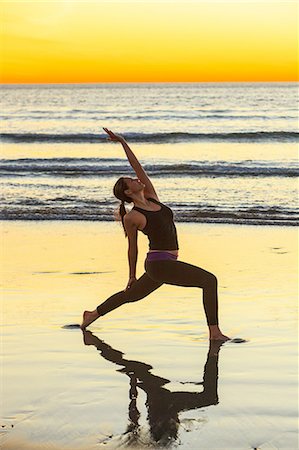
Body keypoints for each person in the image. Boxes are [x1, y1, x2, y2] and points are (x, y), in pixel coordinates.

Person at [81, 128, 229, 341]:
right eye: (131, 180)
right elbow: (132, 248)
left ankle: (92, 314)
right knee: (209, 281)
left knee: (131, 296)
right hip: (159, 265)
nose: (136, 179)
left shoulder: (151, 197)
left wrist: (122, 142)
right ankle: (214, 333)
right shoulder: (132, 217)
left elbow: (137, 166)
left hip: (163, 264)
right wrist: (131, 275)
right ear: (128, 192)